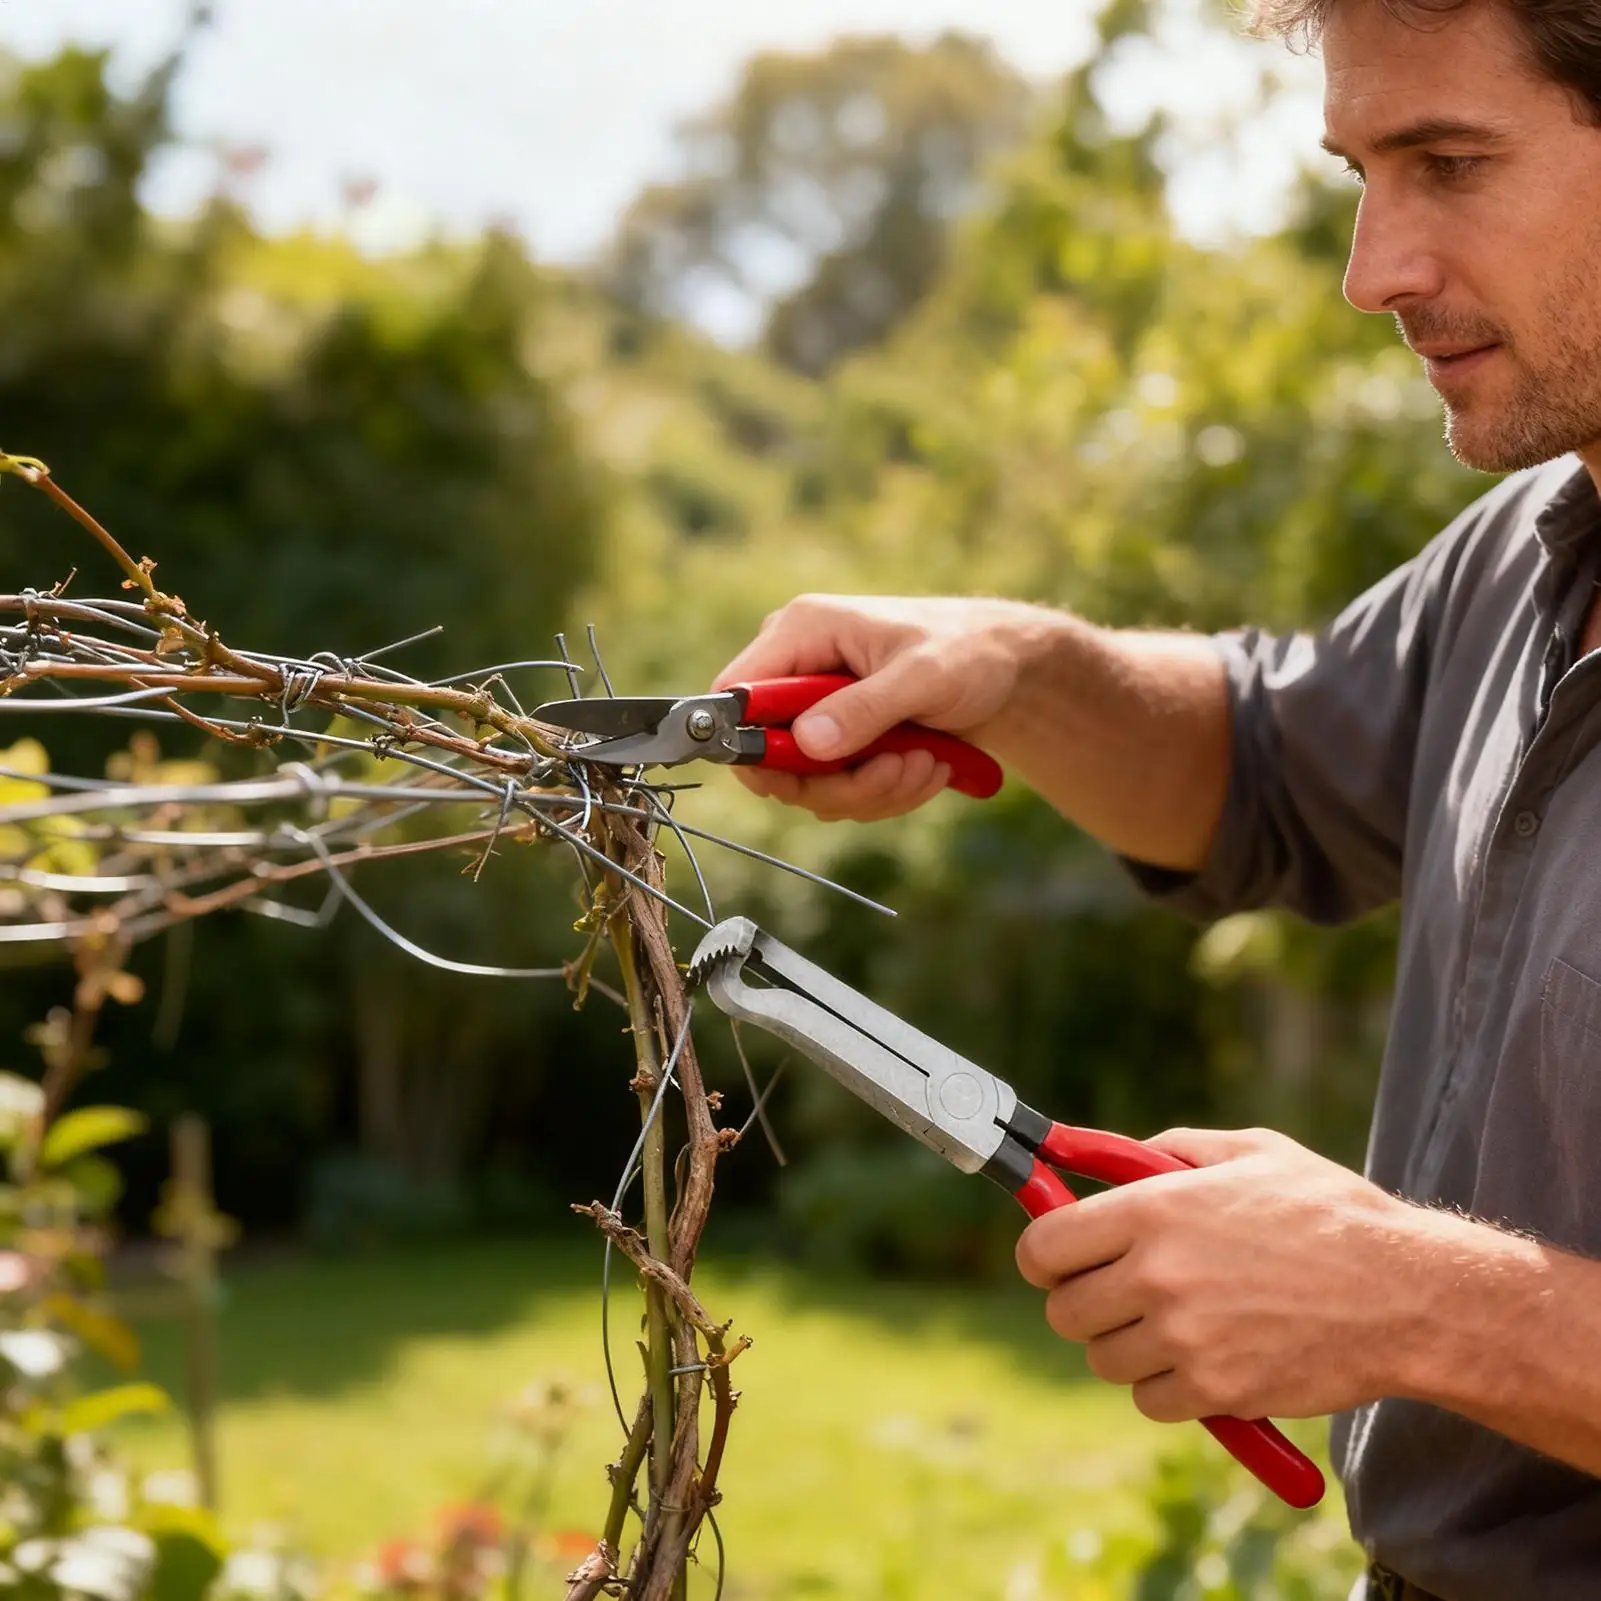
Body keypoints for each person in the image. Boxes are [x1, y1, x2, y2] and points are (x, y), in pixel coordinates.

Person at [712, 1, 1601, 1597]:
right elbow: (1262, 764)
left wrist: (1420, 1303)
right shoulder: (1533, 552)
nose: (1373, 267)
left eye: (1452, 163)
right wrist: (1015, 669)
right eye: (1359, 170)